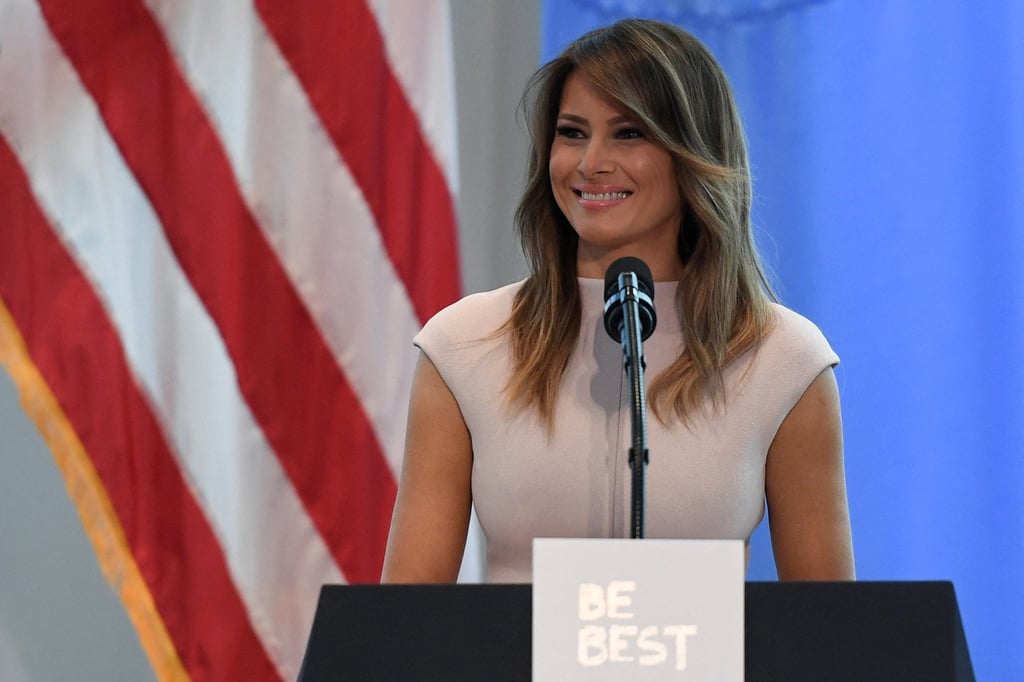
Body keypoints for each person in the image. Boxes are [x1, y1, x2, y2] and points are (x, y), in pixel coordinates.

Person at [381, 18, 854, 583]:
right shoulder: (463, 345)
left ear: (692, 151)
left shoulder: (785, 359)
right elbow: (406, 621)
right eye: (572, 132)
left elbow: (828, 630)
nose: (590, 163)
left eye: (628, 133)